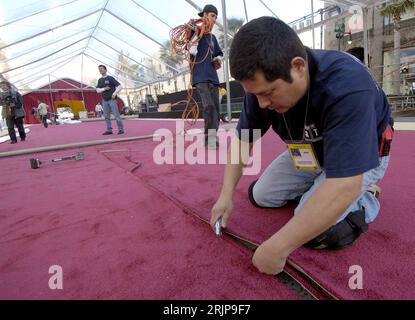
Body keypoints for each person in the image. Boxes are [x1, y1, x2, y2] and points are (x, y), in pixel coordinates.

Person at [210, 17, 393, 275]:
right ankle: (320, 185)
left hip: (364, 153)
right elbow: (242, 141)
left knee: (316, 231)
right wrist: (225, 195)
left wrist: (278, 248)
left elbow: (345, 183)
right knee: (261, 196)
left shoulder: (347, 84)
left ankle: (367, 197)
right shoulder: (259, 92)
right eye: (256, 94)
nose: (262, 104)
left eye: (269, 93)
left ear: (298, 67)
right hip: (310, 150)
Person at [188, 4, 223, 149]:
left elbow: (219, 53)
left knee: (216, 109)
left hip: (213, 77)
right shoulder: (194, 32)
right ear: (204, 16)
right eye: (212, 16)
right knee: (208, 107)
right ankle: (210, 139)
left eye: (215, 17)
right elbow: (192, 51)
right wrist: (196, 34)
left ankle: (210, 137)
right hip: (200, 77)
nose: (214, 19)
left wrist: (218, 58)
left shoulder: (213, 38)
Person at [96, 65, 124, 135]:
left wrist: (115, 93)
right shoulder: (100, 80)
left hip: (112, 100)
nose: (101, 70)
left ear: (106, 70)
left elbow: (120, 86)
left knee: (116, 115)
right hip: (104, 100)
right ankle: (109, 130)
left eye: (102, 69)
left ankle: (121, 129)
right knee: (106, 116)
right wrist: (104, 89)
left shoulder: (110, 78)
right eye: (99, 69)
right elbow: (97, 90)